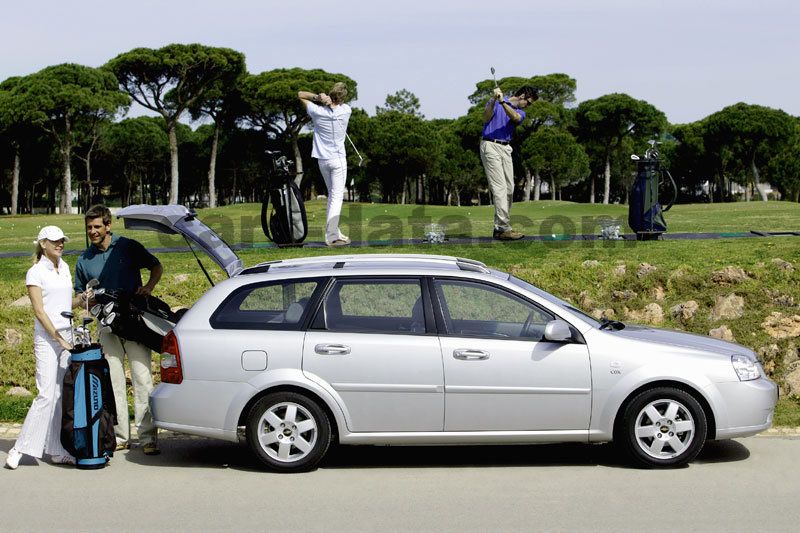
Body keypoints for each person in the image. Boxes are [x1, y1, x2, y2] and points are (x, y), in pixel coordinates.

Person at [74, 205, 163, 455]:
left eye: (97, 226)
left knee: (142, 378)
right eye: (89, 227)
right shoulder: (83, 259)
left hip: (134, 322)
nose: (92, 231)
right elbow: (80, 295)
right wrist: (86, 300)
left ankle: (147, 437)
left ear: (108, 225)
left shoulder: (128, 246)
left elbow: (156, 266)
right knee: (113, 383)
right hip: (106, 326)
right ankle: (122, 436)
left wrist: (149, 287)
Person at [5, 226, 93, 469]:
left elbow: (67, 303)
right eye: (55, 241)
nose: (60, 244)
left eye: (62, 240)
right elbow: (39, 311)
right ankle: (19, 448)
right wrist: (58, 339)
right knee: (45, 394)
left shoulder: (64, 267)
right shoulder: (35, 272)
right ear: (43, 244)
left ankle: (56, 449)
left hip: (66, 337)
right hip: (47, 339)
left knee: (59, 396)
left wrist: (82, 298)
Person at [480, 85, 538, 240]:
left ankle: (499, 228)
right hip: (490, 145)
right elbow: (485, 117)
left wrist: (502, 103)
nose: (528, 106)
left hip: (506, 148)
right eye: (529, 102)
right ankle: (503, 228)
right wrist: (494, 99)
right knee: (499, 188)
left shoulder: (520, 112)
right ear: (522, 96)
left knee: (509, 189)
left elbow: (515, 118)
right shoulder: (495, 100)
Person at [298, 82, 352, 246]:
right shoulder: (346, 110)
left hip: (323, 161)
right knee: (336, 197)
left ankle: (335, 231)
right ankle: (332, 236)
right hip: (338, 160)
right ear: (343, 98)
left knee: (332, 196)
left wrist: (317, 98)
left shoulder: (317, 111)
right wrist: (327, 101)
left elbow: (300, 93)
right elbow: (338, 105)